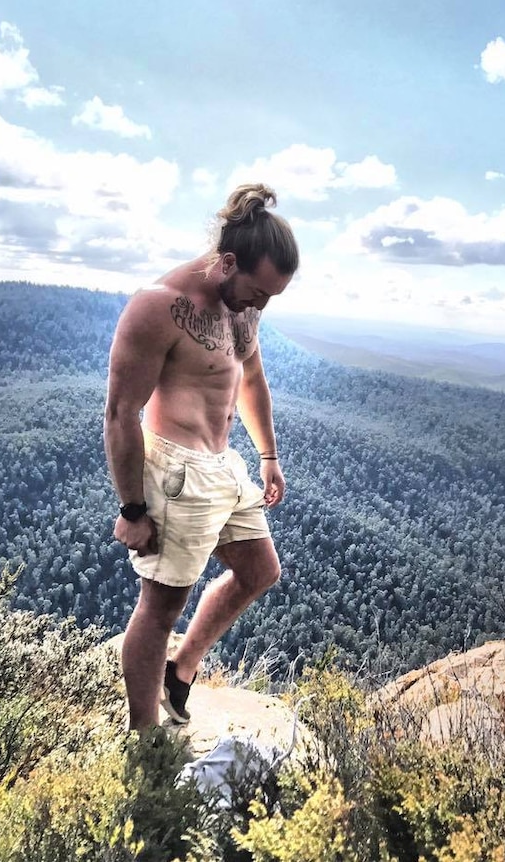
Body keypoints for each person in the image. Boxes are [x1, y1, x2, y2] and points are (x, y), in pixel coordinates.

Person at [103, 183, 299, 730]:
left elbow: (250, 376)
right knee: (161, 607)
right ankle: (142, 737)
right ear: (228, 261)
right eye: (257, 292)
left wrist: (268, 455)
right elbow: (120, 414)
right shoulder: (159, 307)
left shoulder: (242, 308)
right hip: (172, 473)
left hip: (225, 465)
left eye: (270, 298)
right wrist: (133, 509)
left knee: (260, 571)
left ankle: (180, 670)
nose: (260, 305)